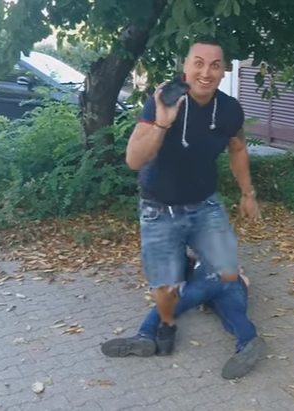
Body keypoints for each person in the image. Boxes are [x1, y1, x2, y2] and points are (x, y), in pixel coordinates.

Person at [125, 39, 260, 348]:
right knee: (167, 287)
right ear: (185, 67)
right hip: (159, 208)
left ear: (224, 71)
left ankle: (151, 330)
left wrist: (247, 193)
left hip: (205, 206)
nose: (206, 73)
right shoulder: (164, 100)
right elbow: (133, 160)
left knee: (226, 275)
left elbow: (238, 150)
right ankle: (165, 331)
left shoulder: (229, 109)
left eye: (215, 65)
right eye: (198, 63)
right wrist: (162, 124)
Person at [100, 252, 267, 380]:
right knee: (233, 315)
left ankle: (145, 335)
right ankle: (247, 342)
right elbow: (246, 283)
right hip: (234, 286)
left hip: (207, 279)